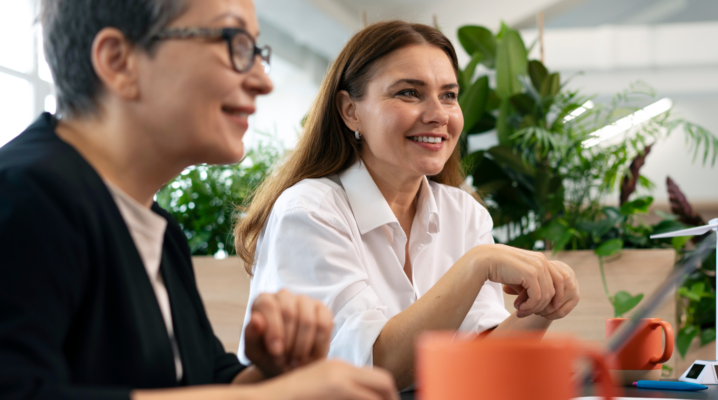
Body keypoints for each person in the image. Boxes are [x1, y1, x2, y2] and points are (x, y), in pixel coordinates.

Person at [0, 0, 397, 399]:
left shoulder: (156, 227)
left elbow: (202, 380)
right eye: (234, 44)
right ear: (119, 61)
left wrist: (272, 371)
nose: (263, 80)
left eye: (257, 53)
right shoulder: (23, 194)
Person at [235, 20, 581, 389]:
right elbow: (373, 369)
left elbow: (478, 365)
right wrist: (477, 265)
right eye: (409, 93)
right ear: (351, 111)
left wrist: (544, 306)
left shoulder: (463, 214)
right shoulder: (309, 212)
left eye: (449, 95)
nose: (438, 114)